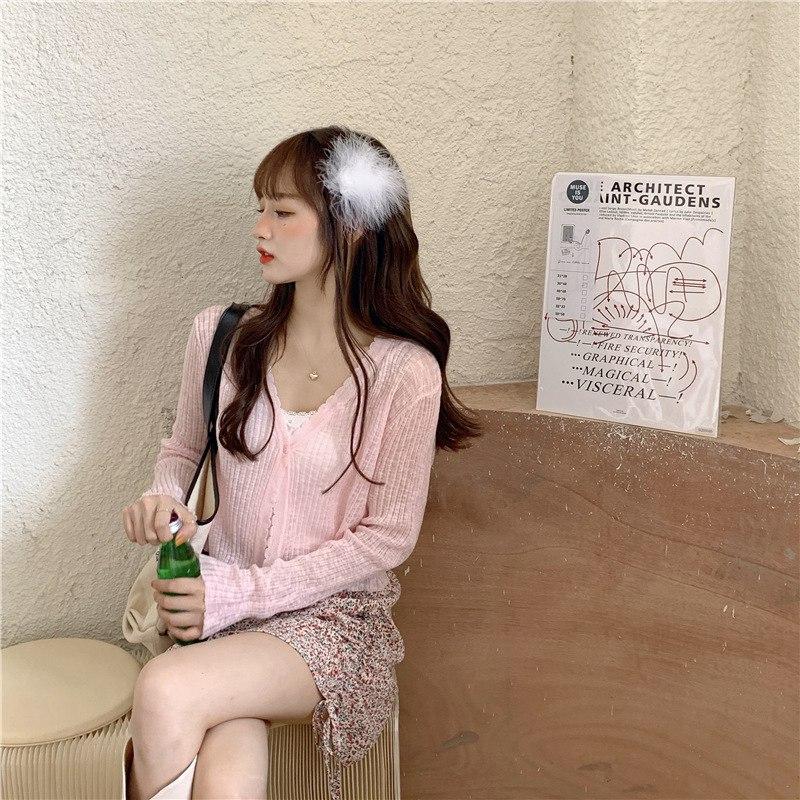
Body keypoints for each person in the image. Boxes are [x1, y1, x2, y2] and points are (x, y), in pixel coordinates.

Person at [121, 125, 482, 800]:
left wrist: (244, 593)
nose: (260, 227)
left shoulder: (405, 374)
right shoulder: (223, 335)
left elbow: (387, 538)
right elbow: (183, 451)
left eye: (283, 212)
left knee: (167, 688)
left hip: (330, 621)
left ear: (352, 228)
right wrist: (165, 501)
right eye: (260, 207)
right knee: (228, 766)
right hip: (215, 606)